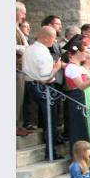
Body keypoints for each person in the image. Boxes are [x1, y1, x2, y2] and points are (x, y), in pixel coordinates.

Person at [21, 26, 64, 159]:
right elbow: (46, 78)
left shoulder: (30, 49)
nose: (54, 40)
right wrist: (56, 68)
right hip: (43, 88)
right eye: (53, 37)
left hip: (30, 85)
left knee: (46, 120)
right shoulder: (43, 53)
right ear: (46, 37)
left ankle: (50, 151)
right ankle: (50, 152)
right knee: (50, 121)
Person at [62, 36, 90, 156]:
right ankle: (79, 158)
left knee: (84, 128)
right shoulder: (72, 68)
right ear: (78, 53)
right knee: (79, 129)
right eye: (84, 51)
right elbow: (80, 86)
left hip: (81, 97)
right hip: (76, 97)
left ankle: (85, 158)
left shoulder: (77, 67)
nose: (86, 54)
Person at [16, 2, 31, 137]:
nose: (24, 16)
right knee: (16, 98)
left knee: (19, 98)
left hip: (20, 68)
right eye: (22, 12)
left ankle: (17, 125)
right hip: (16, 67)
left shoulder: (16, 27)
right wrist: (22, 48)